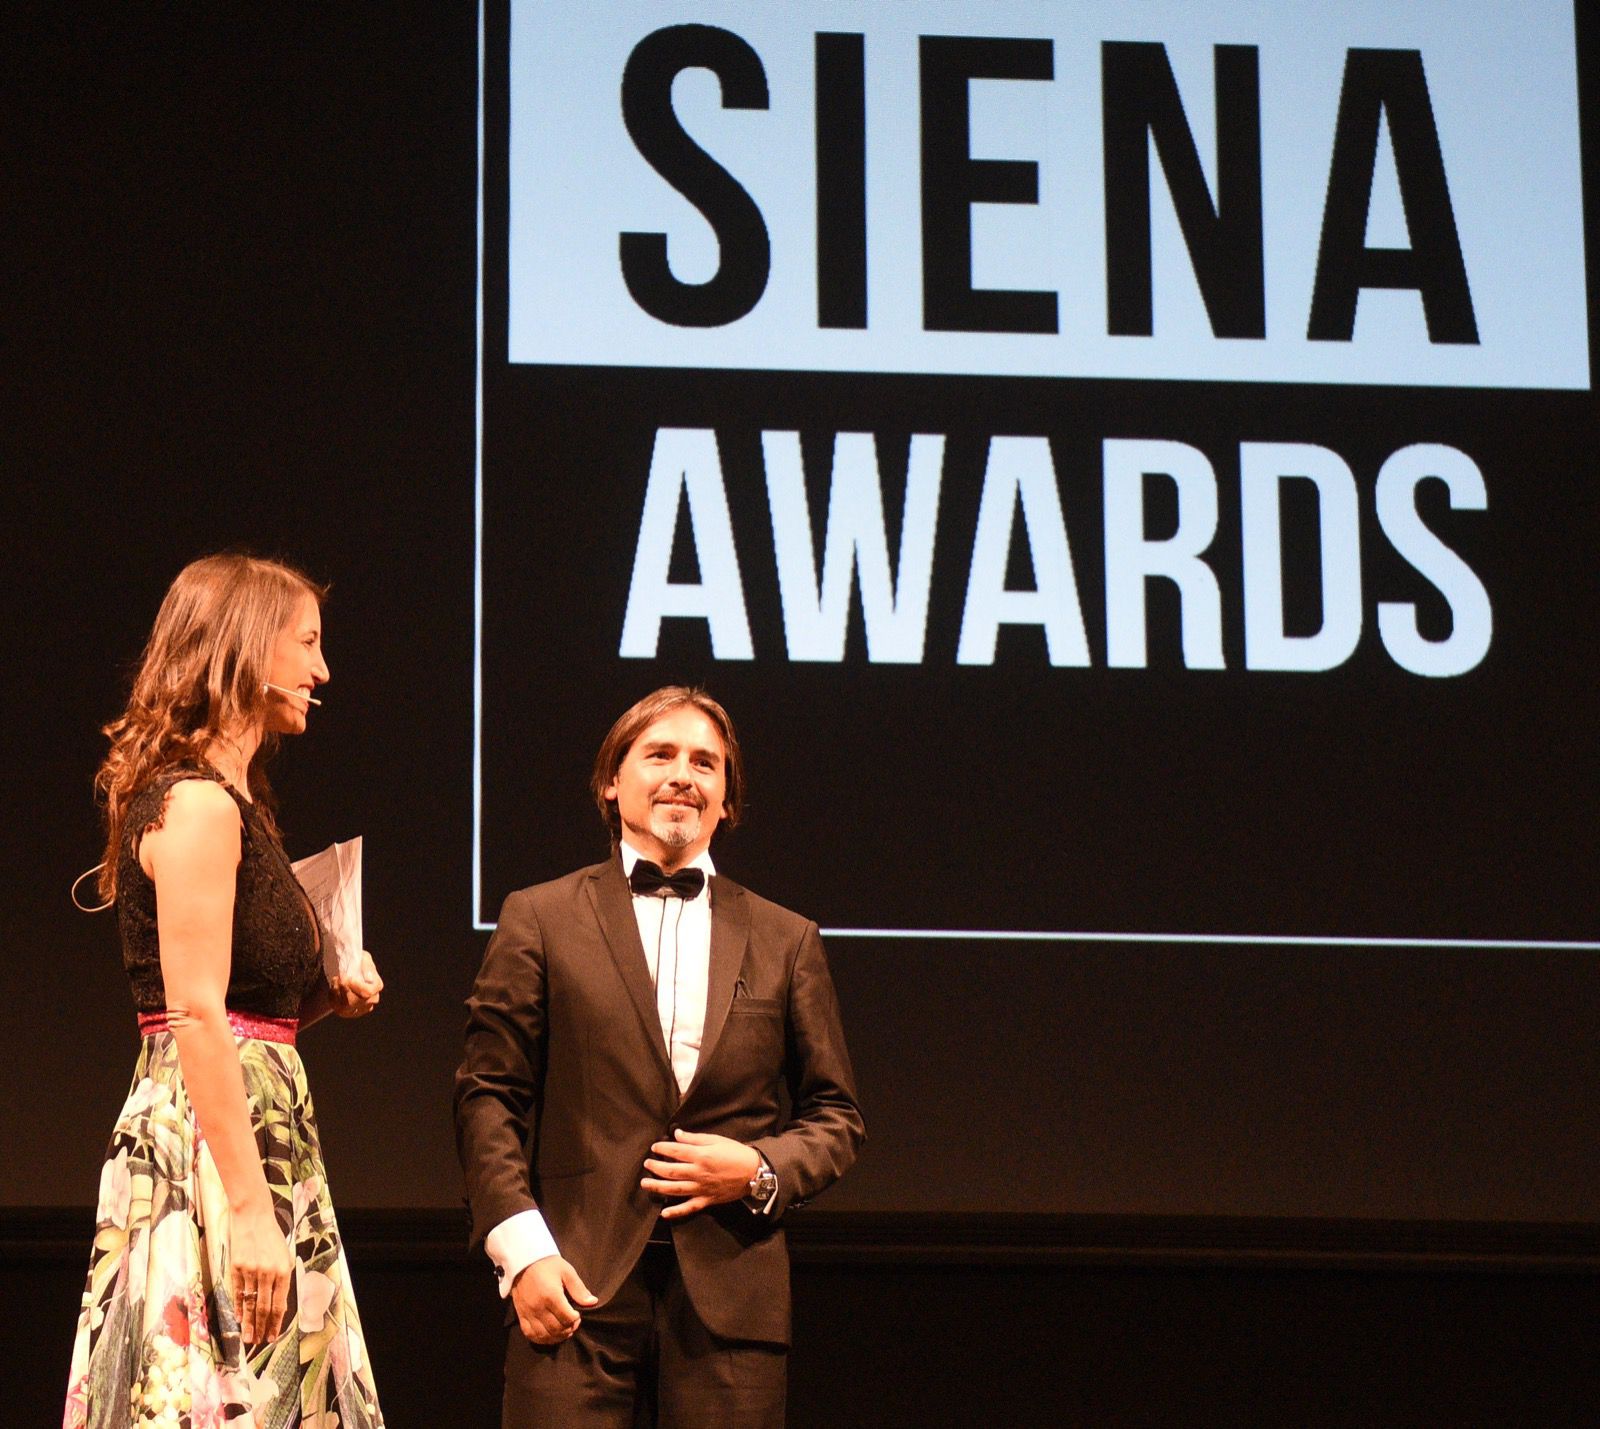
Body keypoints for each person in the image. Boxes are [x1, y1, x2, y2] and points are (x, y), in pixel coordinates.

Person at [455, 686, 864, 1428]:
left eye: (705, 762)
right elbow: (489, 1094)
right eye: (660, 754)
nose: (683, 775)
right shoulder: (539, 916)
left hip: (732, 1292)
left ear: (726, 798)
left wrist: (759, 1167)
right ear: (612, 781)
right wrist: (520, 1249)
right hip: (571, 1277)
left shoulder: (786, 937)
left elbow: (837, 1115)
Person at [63, 553, 386, 1429]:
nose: (322, 671)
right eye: (306, 644)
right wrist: (246, 1210)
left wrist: (326, 998)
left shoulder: (238, 802)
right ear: (245, 647)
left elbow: (246, 1015)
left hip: (256, 1135)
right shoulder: (199, 805)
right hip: (211, 1156)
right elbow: (195, 1012)